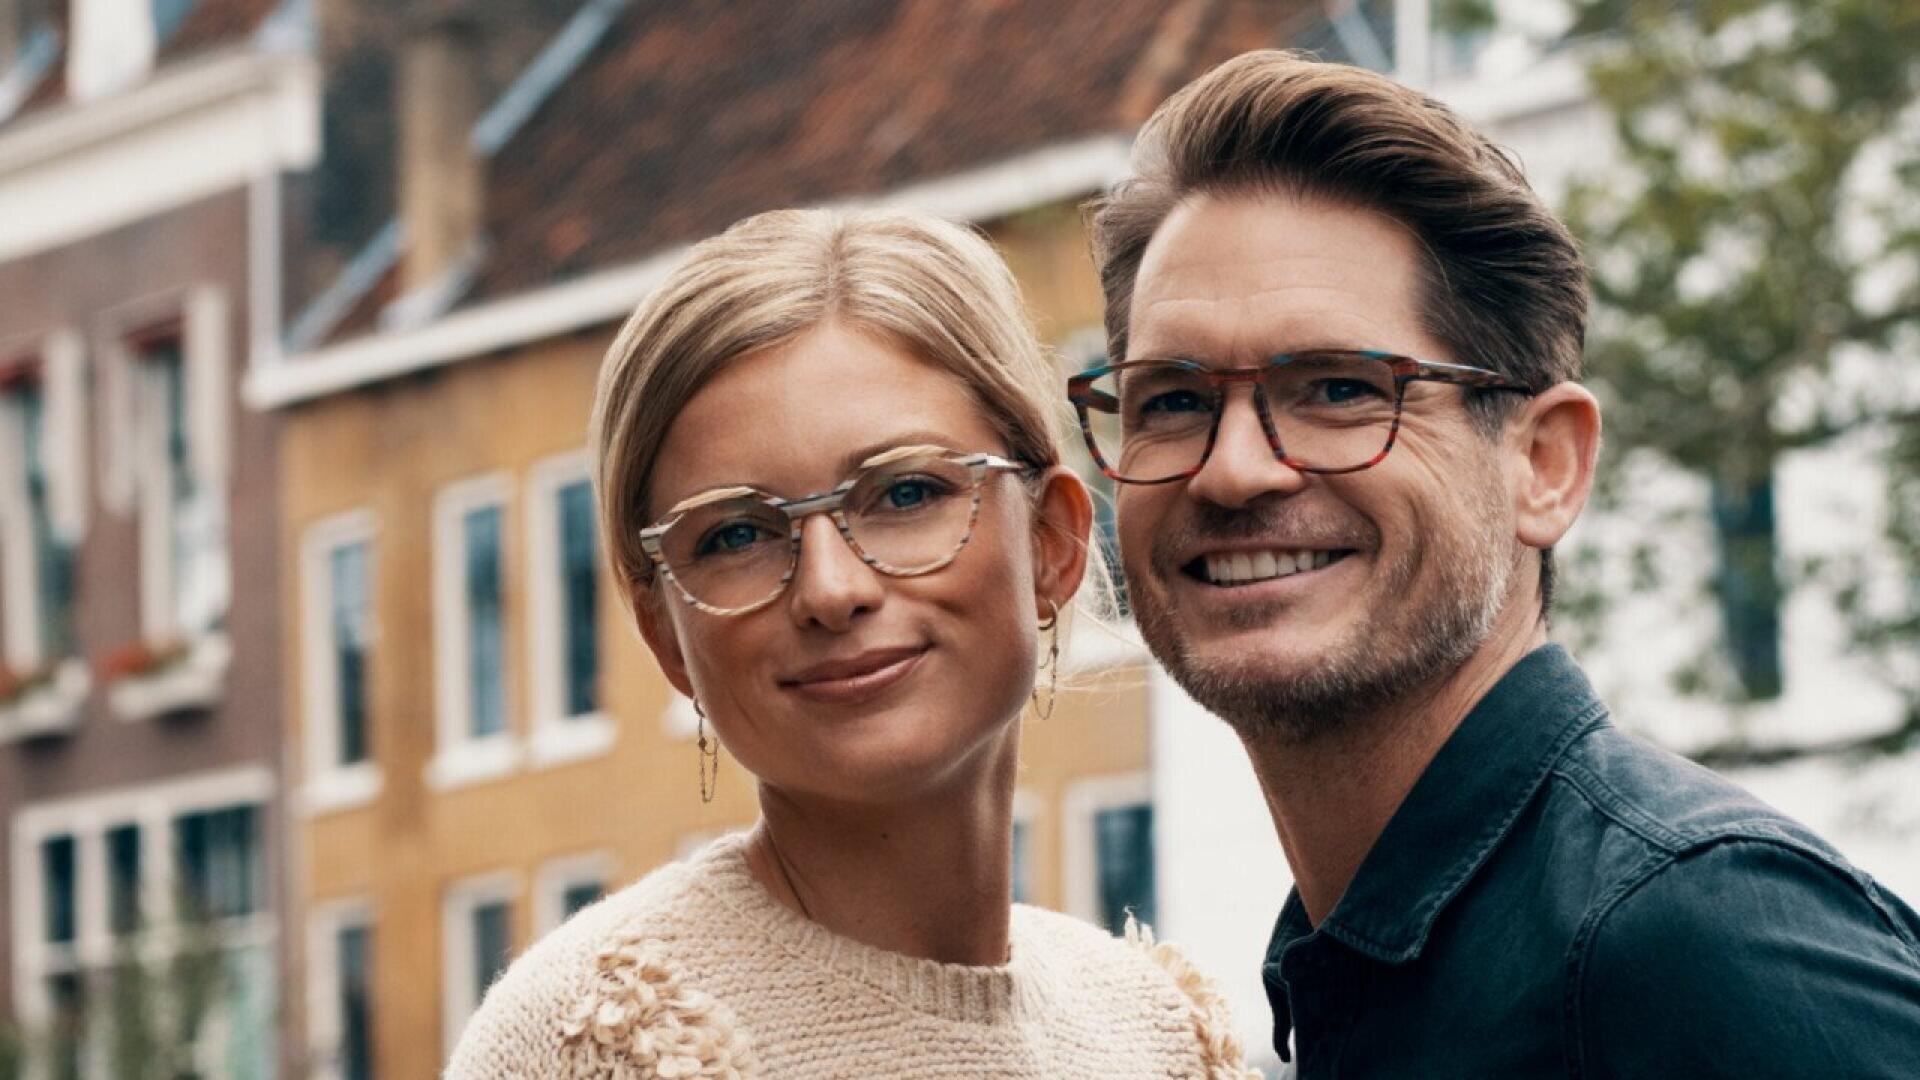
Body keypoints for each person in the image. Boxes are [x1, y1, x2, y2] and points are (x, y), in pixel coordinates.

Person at [1076, 49, 1920, 1077]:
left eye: (1341, 389)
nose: (1236, 469)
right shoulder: (1352, 973)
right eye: (1172, 400)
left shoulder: (1700, 941)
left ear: (1544, 465)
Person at [444, 207, 1254, 1079]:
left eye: (904, 494)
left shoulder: (1159, 1036)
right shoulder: (583, 1045)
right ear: (666, 635)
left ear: (1051, 543)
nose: (831, 590)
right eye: (736, 535)